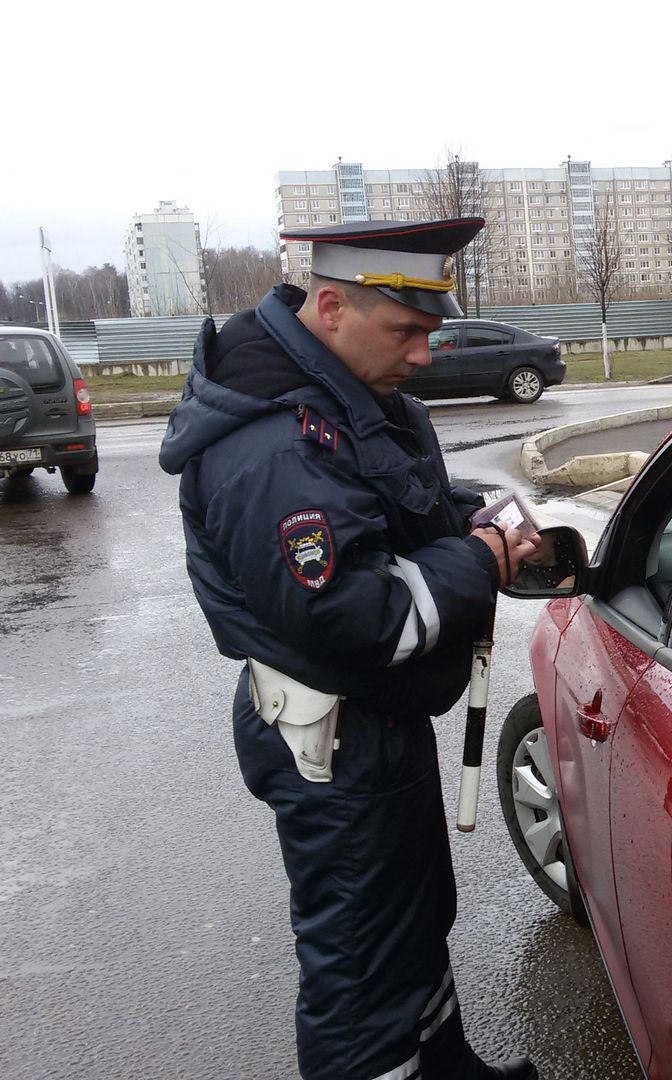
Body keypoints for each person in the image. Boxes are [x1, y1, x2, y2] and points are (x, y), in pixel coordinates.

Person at [158, 217, 540, 1080]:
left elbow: (390, 506)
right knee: (362, 970)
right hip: (332, 738)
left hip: (373, 728)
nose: (425, 356)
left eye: (432, 333)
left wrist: (468, 516)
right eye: (407, 332)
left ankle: (446, 1067)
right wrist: (477, 559)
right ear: (330, 306)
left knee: (411, 921)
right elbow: (356, 614)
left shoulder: (337, 396)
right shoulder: (272, 444)